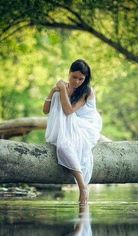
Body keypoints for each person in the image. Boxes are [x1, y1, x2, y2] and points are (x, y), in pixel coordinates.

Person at [43, 59, 102, 205]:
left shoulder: (86, 91)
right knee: (57, 97)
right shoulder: (64, 87)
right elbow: (45, 110)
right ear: (69, 73)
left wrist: (63, 90)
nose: (77, 82)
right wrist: (54, 90)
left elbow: (69, 111)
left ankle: (83, 188)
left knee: (63, 146)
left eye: (81, 79)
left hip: (86, 126)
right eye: (74, 77)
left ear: (85, 79)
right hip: (69, 124)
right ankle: (82, 187)